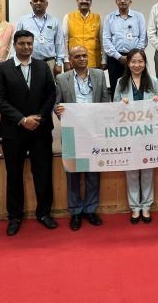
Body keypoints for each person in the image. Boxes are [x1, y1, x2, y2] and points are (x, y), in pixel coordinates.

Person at [0, 30, 58, 235]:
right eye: (22, 44)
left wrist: (38, 117)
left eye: (29, 43)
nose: (26, 47)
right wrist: (22, 120)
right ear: (15, 45)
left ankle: (44, 213)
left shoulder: (42, 66)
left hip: (40, 129)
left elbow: (51, 93)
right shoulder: (2, 69)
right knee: (14, 174)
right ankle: (14, 216)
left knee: (43, 173)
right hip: (14, 131)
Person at [55, 46, 110, 230]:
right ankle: (76, 211)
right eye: (77, 56)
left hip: (93, 132)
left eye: (84, 55)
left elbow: (105, 101)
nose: (82, 58)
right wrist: (58, 110)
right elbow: (56, 104)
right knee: (73, 173)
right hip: (72, 132)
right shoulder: (62, 79)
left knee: (93, 172)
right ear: (70, 59)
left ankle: (91, 209)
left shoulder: (99, 75)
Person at [113, 49, 158, 224]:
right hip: (129, 134)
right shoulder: (121, 82)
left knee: (147, 170)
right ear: (128, 63)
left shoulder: (153, 81)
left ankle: (146, 206)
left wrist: (157, 101)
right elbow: (113, 107)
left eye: (140, 61)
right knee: (132, 171)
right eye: (133, 61)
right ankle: (135, 207)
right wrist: (120, 104)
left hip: (148, 133)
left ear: (145, 63)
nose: (137, 65)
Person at [103, 0, 147, 96]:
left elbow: (143, 39)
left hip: (135, 59)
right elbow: (106, 40)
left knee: (136, 86)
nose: (122, 1)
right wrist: (118, 57)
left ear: (130, 1)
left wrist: (132, 57)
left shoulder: (139, 16)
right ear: (116, 1)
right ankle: (117, 111)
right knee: (115, 88)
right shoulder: (109, 18)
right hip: (115, 59)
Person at [14, 0, 64, 77]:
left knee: (49, 89)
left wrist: (59, 63)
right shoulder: (23, 20)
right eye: (35, 1)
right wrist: (14, 60)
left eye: (41, 0)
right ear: (31, 3)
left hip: (49, 63)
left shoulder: (54, 21)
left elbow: (59, 43)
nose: (38, 3)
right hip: (27, 61)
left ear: (46, 3)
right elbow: (15, 41)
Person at [62, 0, 106, 72]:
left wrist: (104, 60)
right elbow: (65, 40)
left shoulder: (98, 18)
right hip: (74, 62)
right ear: (77, 1)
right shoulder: (68, 17)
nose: (84, 1)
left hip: (94, 61)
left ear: (91, 2)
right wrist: (66, 60)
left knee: (94, 84)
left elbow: (102, 40)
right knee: (74, 84)